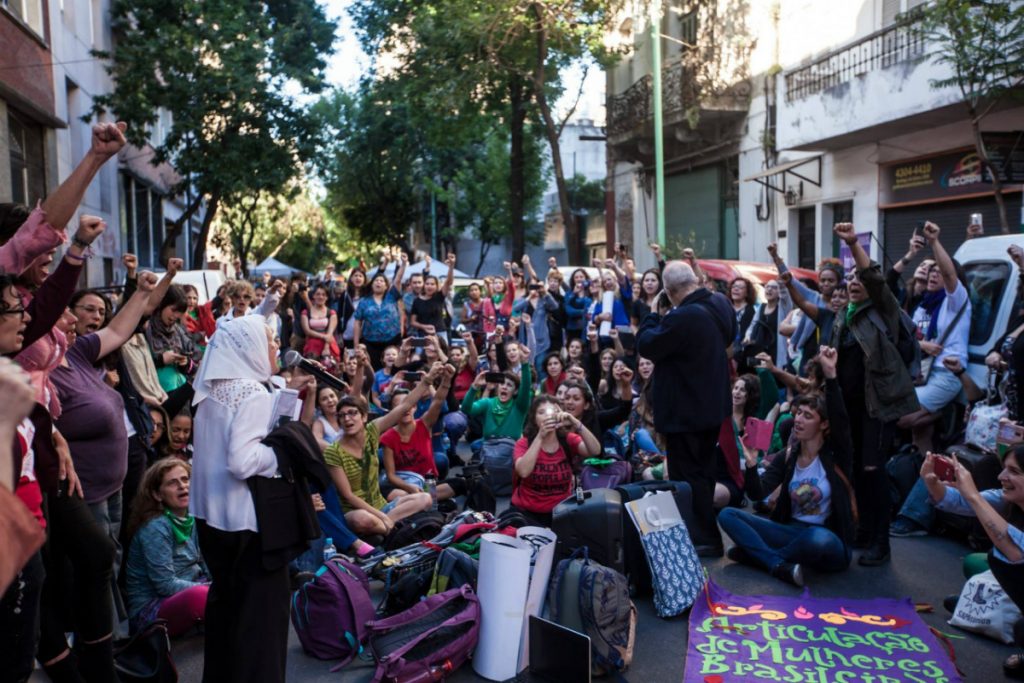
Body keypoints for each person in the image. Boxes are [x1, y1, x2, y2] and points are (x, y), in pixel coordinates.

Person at [189, 314, 317, 683]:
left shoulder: (213, 390)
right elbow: (242, 461)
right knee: (261, 627)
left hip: (213, 520)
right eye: (271, 340)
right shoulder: (252, 394)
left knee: (228, 614)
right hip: (250, 524)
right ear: (248, 348)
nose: (277, 346)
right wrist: (281, 454)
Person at [719, 347, 855, 587]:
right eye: (798, 413)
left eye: (808, 416)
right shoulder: (788, 455)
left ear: (824, 425)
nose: (799, 420)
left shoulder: (836, 455)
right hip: (790, 531)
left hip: (827, 538)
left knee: (818, 540)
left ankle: (760, 556)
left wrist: (831, 375)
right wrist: (751, 464)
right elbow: (757, 494)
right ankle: (777, 564)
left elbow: (842, 420)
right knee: (728, 514)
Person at [831, 222, 920, 566]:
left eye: (859, 279)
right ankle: (864, 530)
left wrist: (853, 244)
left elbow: (875, 277)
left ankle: (881, 543)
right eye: (849, 279)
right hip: (849, 407)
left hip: (877, 406)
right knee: (855, 469)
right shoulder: (843, 316)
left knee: (873, 468)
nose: (854, 282)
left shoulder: (884, 309)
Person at [637, 260, 736, 555]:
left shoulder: (683, 317)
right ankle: (707, 535)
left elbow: (648, 345)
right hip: (711, 408)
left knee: (687, 477)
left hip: (686, 412)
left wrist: (652, 314)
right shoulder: (720, 303)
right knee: (704, 472)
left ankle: (703, 537)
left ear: (668, 291)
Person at [923, 448, 1024, 678]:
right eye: (1004, 468)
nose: (1001, 477)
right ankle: (992, 606)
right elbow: (956, 501)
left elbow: (1016, 552)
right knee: (975, 563)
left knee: (1020, 629)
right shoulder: (1008, 498)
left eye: (1014, 471)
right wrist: (931, 481)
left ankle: (996, 611)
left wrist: (973, 495)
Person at [322, 358, 437, 537]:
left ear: (364, 417)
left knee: (426, 498)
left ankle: (386, 529)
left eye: (352, 413)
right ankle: (395, 529)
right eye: (342, 416)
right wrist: (381, 517)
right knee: (362, 520)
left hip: (381, 507)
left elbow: (405, 405)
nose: (347, 419)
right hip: (356, 512)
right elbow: (349, 496)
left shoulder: (372, 430)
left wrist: (428, 379)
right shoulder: (333, 452)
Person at [898, 222, 972, 455]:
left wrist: (934, 241)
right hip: (921, 373)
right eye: (932, 271)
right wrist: (922, 344)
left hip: (944, 374)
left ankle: (941, 410)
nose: (934, 275)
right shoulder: (924, 305)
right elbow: (908, 337)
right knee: (920, 433)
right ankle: (923, 473)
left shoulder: (955, 301)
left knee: (904, 418)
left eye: (939, 272)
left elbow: (949, 273)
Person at [125, 459, 209, 637]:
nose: (182, 486)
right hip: (153, 607)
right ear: (157, 495)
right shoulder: (155, 526)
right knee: (201, 598)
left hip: (193, 586)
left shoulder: (192, 516)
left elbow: (204, 562)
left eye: (185, 479)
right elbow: (165, 585)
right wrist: (214, 589)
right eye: (172, 483)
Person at [511, 396, 601, 526]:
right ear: (534, 418)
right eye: (541, 412)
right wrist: (540, 437)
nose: (548, 416)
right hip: (527, 512)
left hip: (560, 512)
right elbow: (523, 472)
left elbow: (595, 450)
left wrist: (574, 422)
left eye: (553, 411)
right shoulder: (524, 443)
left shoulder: (568, 440)